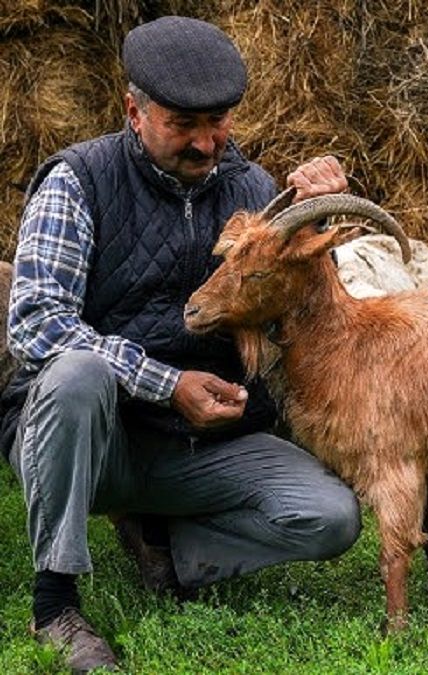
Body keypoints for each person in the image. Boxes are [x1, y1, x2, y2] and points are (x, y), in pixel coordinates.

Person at [2, 16, 362, 671]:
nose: (206, 143)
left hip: (198, 449)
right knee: (76, 370)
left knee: (331, 517)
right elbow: (35, 324)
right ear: (133, 111)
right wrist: (166, 383)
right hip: (93, 439)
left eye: (219, 121)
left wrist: (320, 214)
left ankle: (170, 548)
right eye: (184, 125)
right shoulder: (78, 181)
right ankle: (55, 603)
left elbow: (307, 320)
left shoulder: (254, 191)